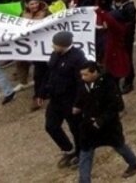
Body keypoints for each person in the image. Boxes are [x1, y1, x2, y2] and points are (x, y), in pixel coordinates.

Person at [74, 61, 136, 181]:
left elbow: (116, 106)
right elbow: (81, 98)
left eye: (85, 75)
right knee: (85, 152)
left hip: (108, 125)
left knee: (118, 145)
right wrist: (77, 106)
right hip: (89, 125)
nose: (83, 78)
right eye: (82, 75)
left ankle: (134, 162)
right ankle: (84, 180)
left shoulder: (108, 84)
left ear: (94, 72)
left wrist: (101, 120)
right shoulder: (83, 84)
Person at [45, 31, 87, 168]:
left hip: (70, 100)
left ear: (63, 45)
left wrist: (78, 103)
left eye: (55, 45)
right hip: (56, 98)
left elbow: (81, 82)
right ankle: (69, 149)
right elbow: (49, 73)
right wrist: (41, 93)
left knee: (76, 129)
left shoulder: (77, 57)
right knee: (51, 126)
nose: (53, 47)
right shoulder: (55, 55)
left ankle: (82, 153)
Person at [109, 0, 136, 94]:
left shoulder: (129, 7)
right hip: (116, 37)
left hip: (126, 38)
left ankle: (129, 80)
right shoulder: (114, 5)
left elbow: (130, 24)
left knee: (127, 59)